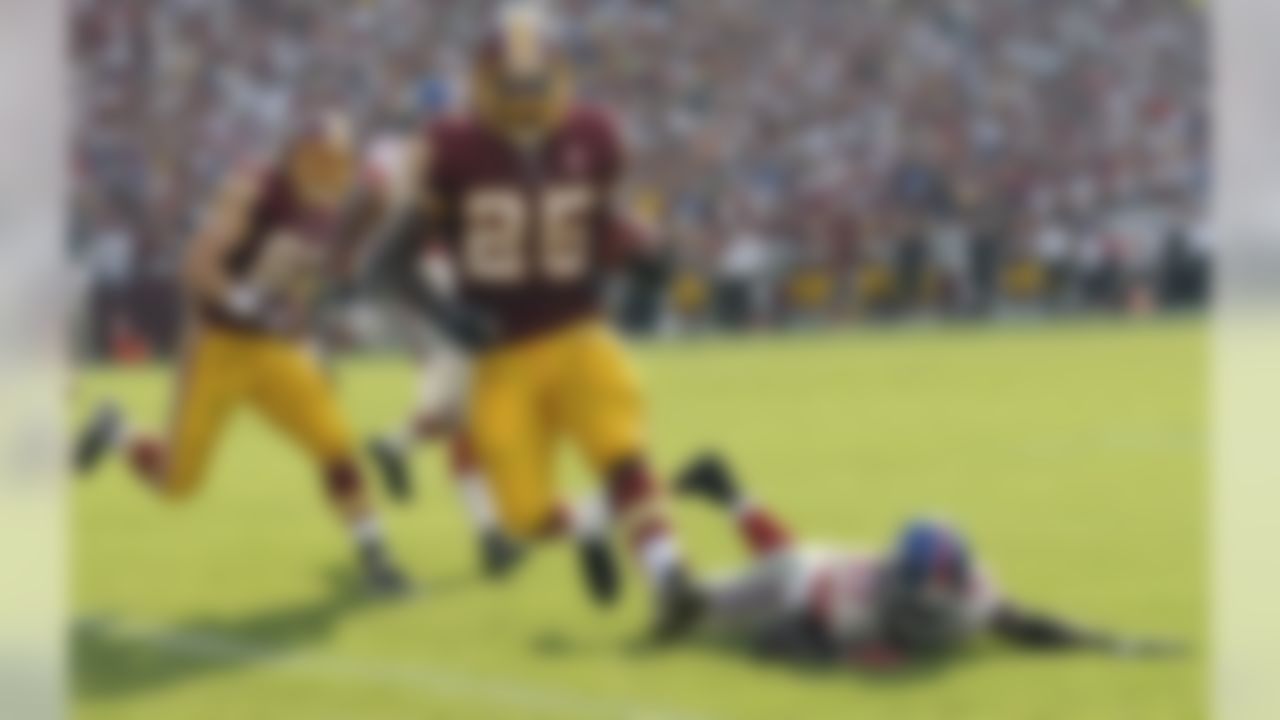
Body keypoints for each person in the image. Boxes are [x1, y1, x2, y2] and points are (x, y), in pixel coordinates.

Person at [372, 1, 696, 637]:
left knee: (621, 452)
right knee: (520, 516)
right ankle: (590, 525)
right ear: (482, 79)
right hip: (503, 354)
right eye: (511, 82)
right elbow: (382, 263)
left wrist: (644, 260)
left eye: (534, 80)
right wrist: (444, 314)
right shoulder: (450, 146)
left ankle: (669, 579)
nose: (523, 96)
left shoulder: (593, 135)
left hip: (580, 332)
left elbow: (603, 227)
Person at [73, 114, 408, 593]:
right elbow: (197, 265)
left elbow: (299, 289)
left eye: (335, 163)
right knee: (178, 484)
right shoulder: (253, 189)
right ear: (294, 157)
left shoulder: (327, 211)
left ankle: (376, 558)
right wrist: (245, 302)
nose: (326, 173)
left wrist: (307, 339)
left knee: (336, 446)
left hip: (277, 351)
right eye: (318, 161)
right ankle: (118, 430)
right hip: (221, 347)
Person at [674, 453, 1182, 666]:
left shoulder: (976, 593)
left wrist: (1110, 642)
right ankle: (680, 545)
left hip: (822, 563)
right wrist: (840, 658)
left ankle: (728, 489)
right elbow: (776, 637)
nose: (934, 605)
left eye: (942, 591)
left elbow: (1029, 626)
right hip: (804, 583)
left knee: (788, 552)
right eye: (923, 593)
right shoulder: (854, 603)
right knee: (696, 608)